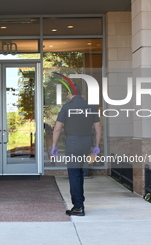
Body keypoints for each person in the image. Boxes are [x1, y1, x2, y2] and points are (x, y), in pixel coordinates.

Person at [51, 83, 101, 216]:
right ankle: (79, 203)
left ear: (70, 94)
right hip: (86, 143)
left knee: (74, 175)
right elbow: (98, 129)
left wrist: (54, 146)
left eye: (67, 93)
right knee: (79, 173)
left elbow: (57, 128)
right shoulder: (91, 107)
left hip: (73, 142)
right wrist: (96, 146)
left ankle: (78, 207)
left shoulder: (67, 107)